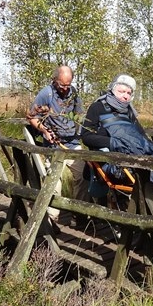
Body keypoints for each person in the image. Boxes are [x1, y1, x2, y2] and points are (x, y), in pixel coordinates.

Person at [81, 74, 153, 193]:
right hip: (111, 161)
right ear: (112, 90)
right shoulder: (97, 107)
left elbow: (142, 136)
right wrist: (112, 143)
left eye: (128, 93)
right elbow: (86, 136)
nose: (125, 96)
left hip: (134, 157)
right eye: (122, 91)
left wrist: (150, 148)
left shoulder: (129, 112)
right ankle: (151, 200)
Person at [27, 65, 89, 226]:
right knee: (54, 182)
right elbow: (32, 117)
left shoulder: (73, 93)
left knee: (83, 176)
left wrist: (81, 131)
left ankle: (80, 214)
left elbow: (79, 114)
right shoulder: (45, 94)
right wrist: (45, 130)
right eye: (62, 85)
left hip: (73, 144)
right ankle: (52, 219)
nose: (65, 89)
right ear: (55, 81)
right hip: (54, 145)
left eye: (68, 85)